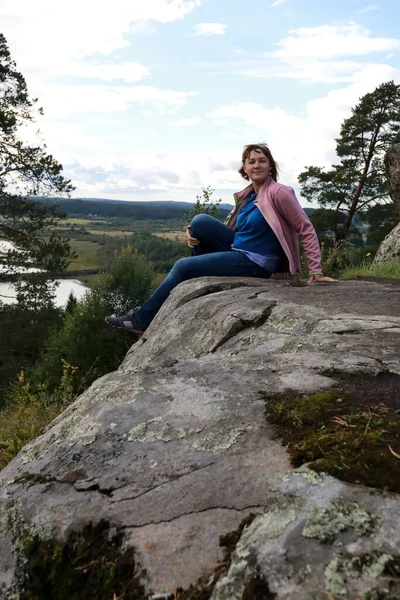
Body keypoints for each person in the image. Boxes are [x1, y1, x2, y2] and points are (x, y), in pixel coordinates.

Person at [105, 143, 337, 335]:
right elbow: (230, 228)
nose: (256, 165)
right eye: (251, 161)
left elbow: (305, 228)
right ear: (244, 168)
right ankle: (200, 277)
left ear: (270, 166)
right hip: (239, 248)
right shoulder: (248, 195)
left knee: (182, 266)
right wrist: (192, 233)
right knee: (200, 221)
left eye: (262, 160)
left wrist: (315, 271)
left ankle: (140, 320)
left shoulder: (279, 192)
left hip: (256, 262)